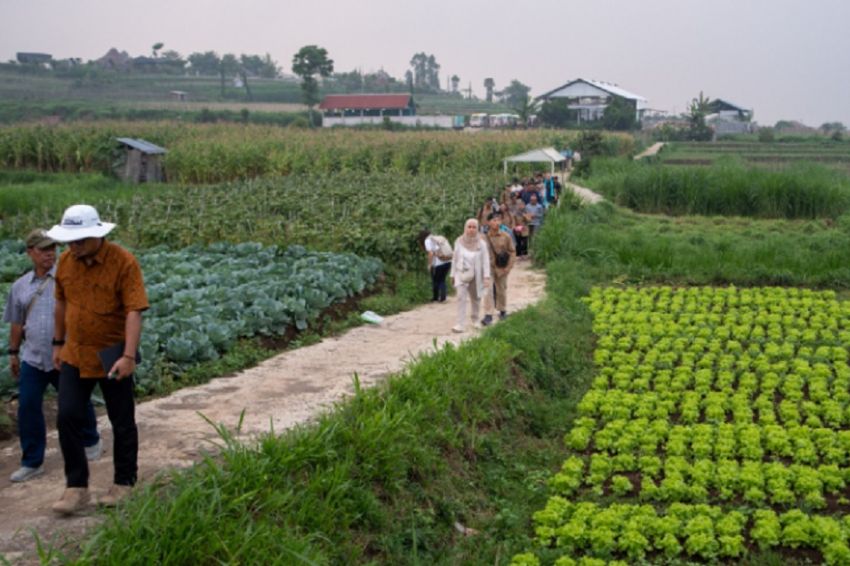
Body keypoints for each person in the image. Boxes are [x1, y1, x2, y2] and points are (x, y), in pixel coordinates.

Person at [45, 205, 149, 515]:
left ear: (97, 235)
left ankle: (124, 482)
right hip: (75, 351)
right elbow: (61, 303)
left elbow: (134, 311)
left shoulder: (123, 262)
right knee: (67, 416)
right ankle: (76, 487)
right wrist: (57, 343)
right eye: (70, 240)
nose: (73, 246)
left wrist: (129, 355)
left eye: (79, 240)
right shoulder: (66, 262)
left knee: (121, 420)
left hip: (112, 353)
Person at [4, 230, 101, 483]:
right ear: (30, 253)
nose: (50, 254)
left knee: (77, 402)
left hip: (66, 354)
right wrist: (13, 353)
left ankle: (90, 440)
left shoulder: (67, 277)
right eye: (43, 249)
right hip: (33, 358)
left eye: (52, 249)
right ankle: (32, 461)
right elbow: (16, 323)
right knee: (28, 407)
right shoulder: (20, 287)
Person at [450, 218, 491, 333]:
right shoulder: (458, 241)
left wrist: (486, 277)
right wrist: (452, 274)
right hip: (461, 273)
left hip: (477, 275)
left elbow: (486, 260)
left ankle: (475, 320)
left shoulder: (481, 243)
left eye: (474, 227)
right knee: (461, 297)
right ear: (465, 228)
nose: (471, 229)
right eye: (469, 227)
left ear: (477, 229)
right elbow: (455, 258)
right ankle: (460, 324)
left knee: (476, 298)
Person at [482, 212, 516, 326]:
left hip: (502, 268)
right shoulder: (483, 237)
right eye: (493, 220)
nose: (496, 222)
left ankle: (502, 311)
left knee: (501, 289)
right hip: (488, 268)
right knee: (488, 291)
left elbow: (512, 252)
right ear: (488, 222)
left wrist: (508, 268)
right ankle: (488, 314)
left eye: (498, 220)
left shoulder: (506, 236)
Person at [418, 229, 452, 303]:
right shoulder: (437, 238)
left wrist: (429, 264)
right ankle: (443, 297)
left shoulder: (427, 241)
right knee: (442, 279)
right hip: (448, 261)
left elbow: (430, 253)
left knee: (436, 280)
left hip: (438, 263)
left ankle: (435, 297)